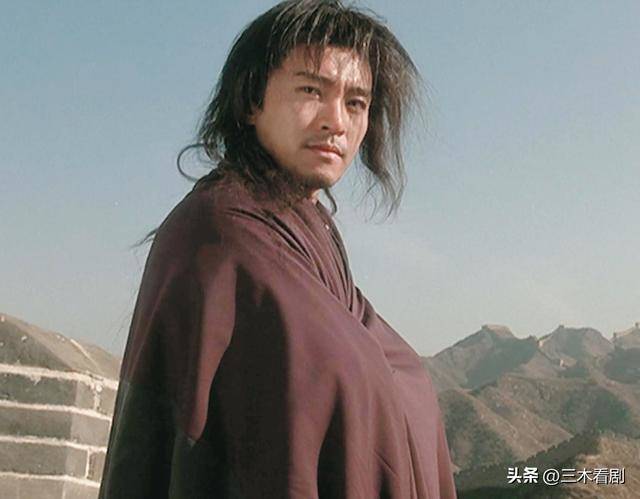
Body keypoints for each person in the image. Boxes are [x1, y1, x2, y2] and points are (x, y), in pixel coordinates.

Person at [99, 1, 457, 498]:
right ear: (252, 100)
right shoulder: (224, 234)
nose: (336, 121)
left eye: (356, 103)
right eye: (311, 90)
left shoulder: (309, 231)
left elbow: (383, 370)